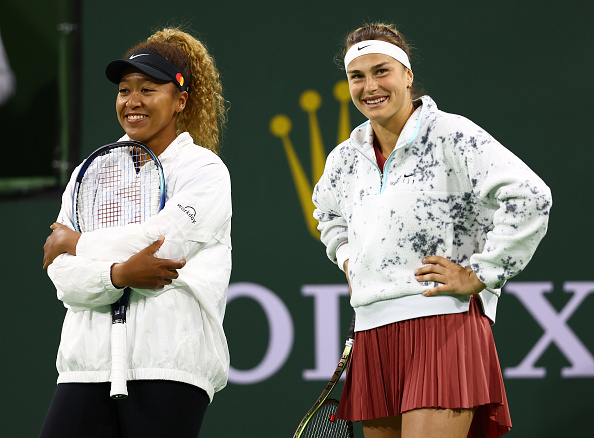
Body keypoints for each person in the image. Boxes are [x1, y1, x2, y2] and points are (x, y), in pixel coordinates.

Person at [312, 23, 551, 438]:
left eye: (381, 71)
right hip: (372, 332)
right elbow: (328, 215)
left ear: (408, 76)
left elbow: (531, 196)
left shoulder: (452, 135)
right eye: (357, 76)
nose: (370, 86)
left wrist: (481, 273)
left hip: (441, 323)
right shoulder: (344, 159)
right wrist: (349, 257)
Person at [40, 27, 231, 438]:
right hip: (84, 367)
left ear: (180, 100)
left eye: (148, 89)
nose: (133, 101)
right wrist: (118, 276)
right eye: (125, 90)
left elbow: (162, 244)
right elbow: (63, 277)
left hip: (169, 366)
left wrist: (76, 243)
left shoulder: (204, 171)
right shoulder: (89, 174)